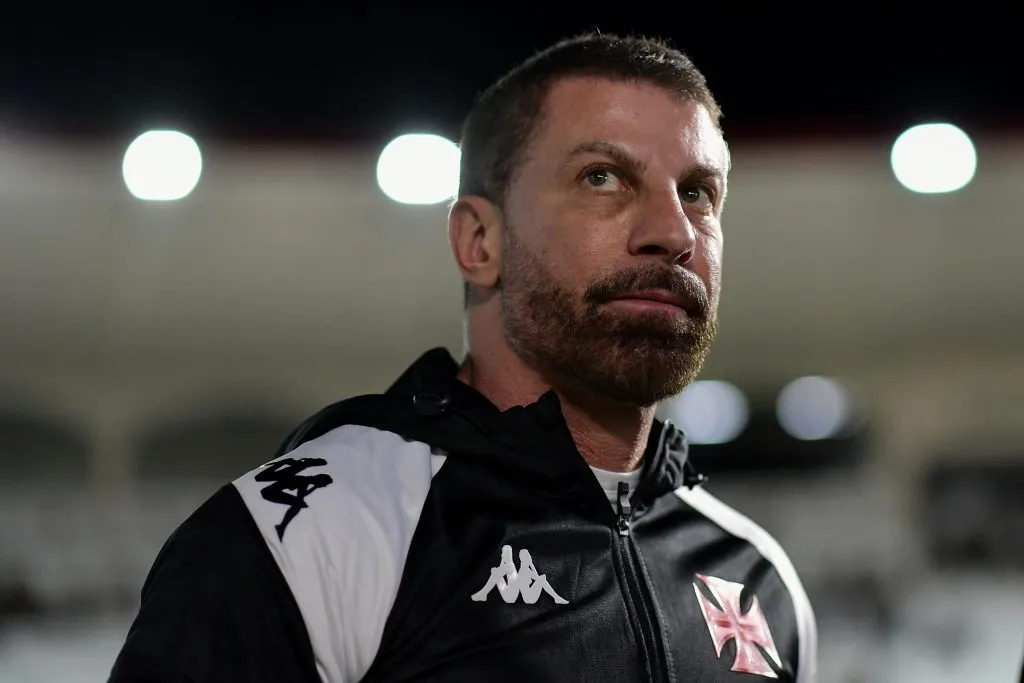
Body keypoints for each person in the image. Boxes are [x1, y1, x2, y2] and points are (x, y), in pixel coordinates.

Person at [109, 32, 817, 682]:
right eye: (603, 177)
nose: (673, 231)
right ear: (479, 241)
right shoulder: (303, 540)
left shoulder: (761, 579)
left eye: (698, 192)